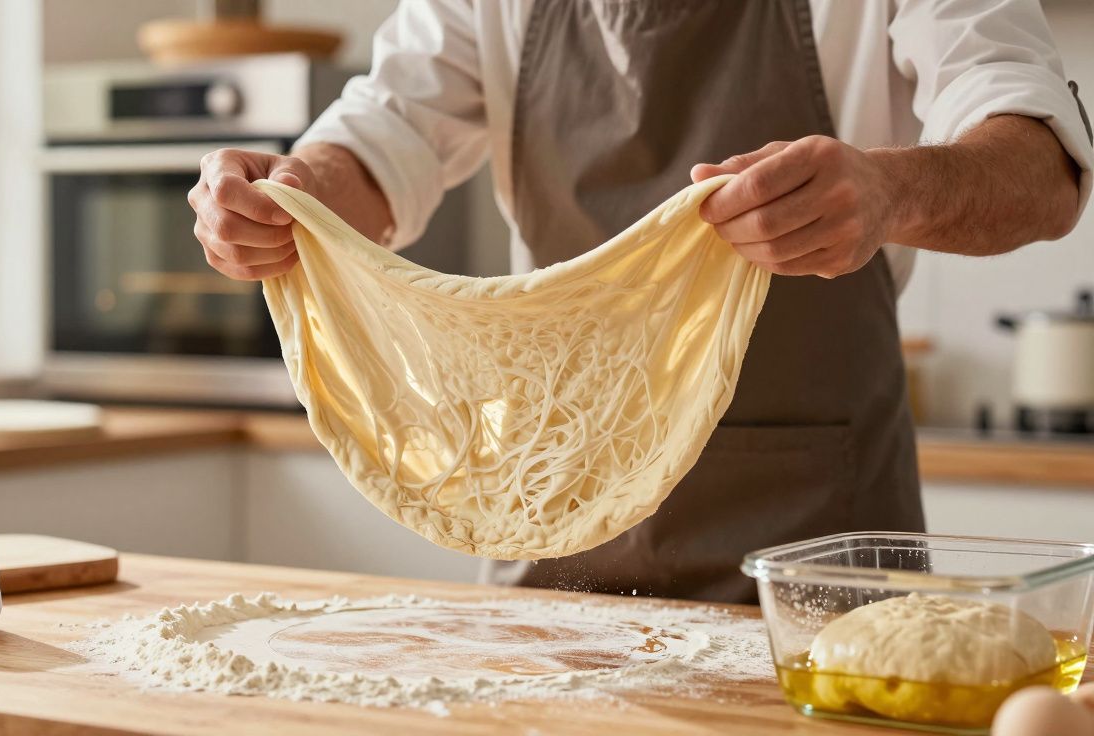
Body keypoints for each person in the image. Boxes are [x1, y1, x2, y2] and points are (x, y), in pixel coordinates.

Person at [187, 0, 1093, 603]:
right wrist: (291, 196)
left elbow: (1043, 168)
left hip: (815, 554)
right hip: (546, 510)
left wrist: (891, 190)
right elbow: (384, 137)